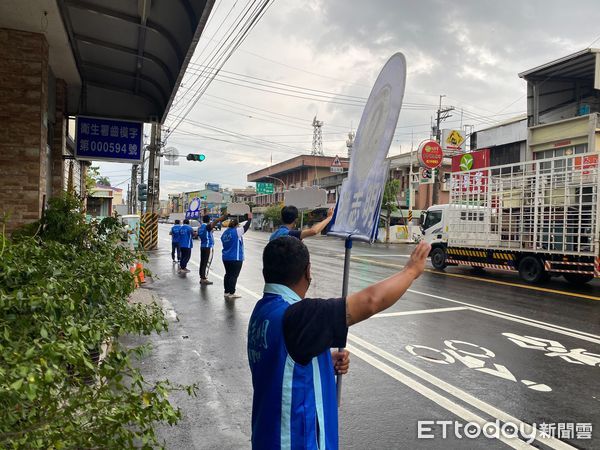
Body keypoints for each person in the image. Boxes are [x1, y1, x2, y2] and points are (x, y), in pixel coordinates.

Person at [247, 237, 430, 449]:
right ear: (308, 271)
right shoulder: (297, 315)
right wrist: (410, 271)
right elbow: (371, 301)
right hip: (295, 442)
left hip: (266, 437)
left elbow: (280, 362)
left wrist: (322, 360)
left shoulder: (263, 311)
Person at [221, 213, 252, 299]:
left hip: (225, 257)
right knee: (233, 275)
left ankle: (226, 291)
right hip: (235, 258)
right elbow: (246, 227)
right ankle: (232, 292)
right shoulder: (236, 231)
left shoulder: (225, 233)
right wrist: (249, 219)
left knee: (228, 274)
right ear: (236, 225)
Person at [269, 205, 334, 241]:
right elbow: (313, 231)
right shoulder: (289, 234)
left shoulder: (273, 235)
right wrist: (329, 218)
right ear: (296, 220)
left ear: (281, 218)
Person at [198, 212, 227, 285]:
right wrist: (223, 217)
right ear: (208, 220)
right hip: (208, 247)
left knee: (202, 262)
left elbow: (203, 234)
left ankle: (202, 277)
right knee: (206, 262)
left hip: (202, 246)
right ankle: (204, 278)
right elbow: (215, 221)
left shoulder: (200, 227)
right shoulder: (207, 226)